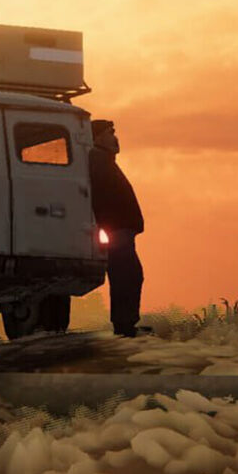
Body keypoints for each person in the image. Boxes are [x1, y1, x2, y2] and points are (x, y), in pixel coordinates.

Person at [88, 119, 146, 338]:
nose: (115, 137)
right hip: (116, 230)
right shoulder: (98, 159)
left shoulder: (103, 160)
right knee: (127, 276)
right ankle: (124, 326)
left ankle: (125, 324)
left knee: (129, 275)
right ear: (97, 137)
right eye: (110, 132)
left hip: (120, 230)